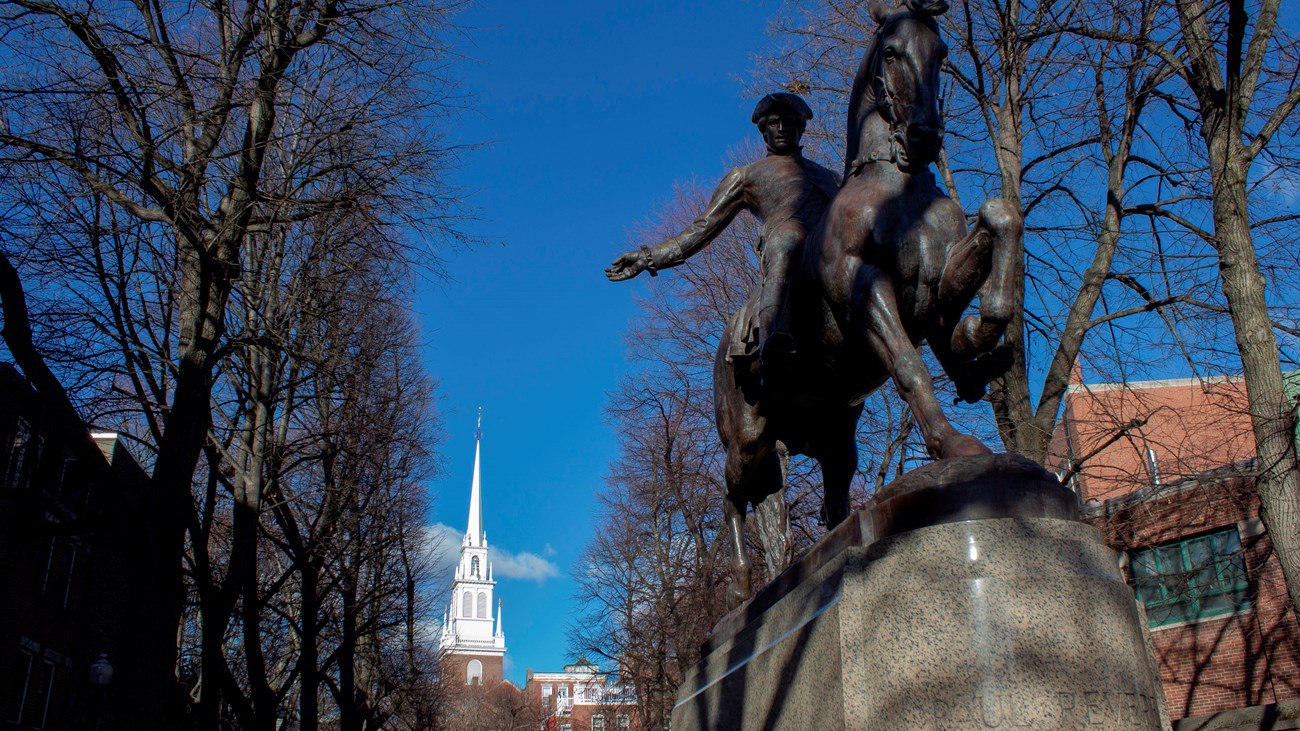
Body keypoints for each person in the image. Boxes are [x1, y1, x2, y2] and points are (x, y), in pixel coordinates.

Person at [605, 92, 838, 366]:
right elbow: (704, 226)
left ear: (801, 128)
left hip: (830, 251)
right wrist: (649, 257)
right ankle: (775, 332)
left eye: (789, 122)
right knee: (789, 238)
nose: (782, 129)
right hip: (784, 248)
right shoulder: (746, 176)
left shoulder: (831, 177)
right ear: (764, 132)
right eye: (774, 123)